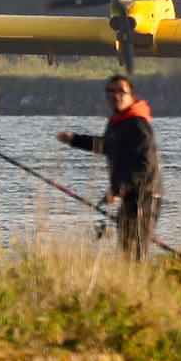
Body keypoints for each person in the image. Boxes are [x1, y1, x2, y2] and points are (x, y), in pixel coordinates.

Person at [56, 75, 162, 258]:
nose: (116, 96)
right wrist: (74, 140)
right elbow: (107, 145)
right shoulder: (119, 122)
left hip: (145, 197)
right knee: (126, 251)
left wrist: (118, 190)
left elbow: (145, 164)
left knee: (134, 255)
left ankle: (138, 284)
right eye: (111, 91)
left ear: (132, 96)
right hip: (131, 197)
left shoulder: (138, 124)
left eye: (121, 91)